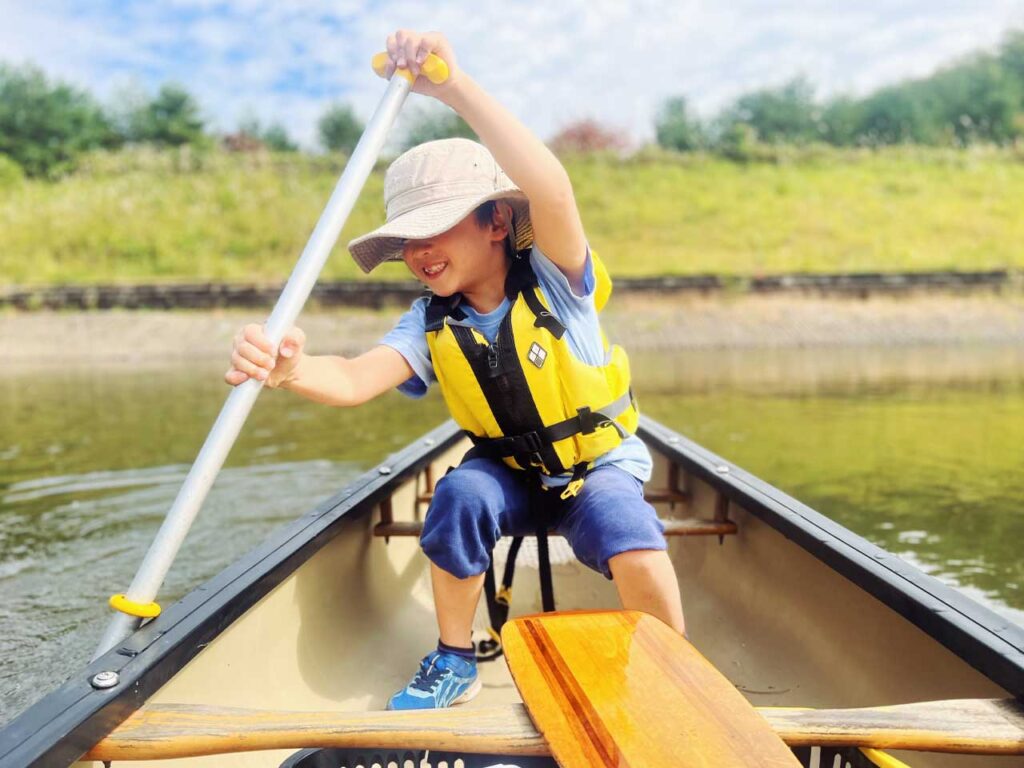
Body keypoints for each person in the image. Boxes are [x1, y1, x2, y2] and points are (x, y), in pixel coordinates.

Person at [226, 29, 685, 711]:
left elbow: (551, 188)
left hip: (596, 469)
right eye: (407, 241)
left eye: (435, 230)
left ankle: (673, 665)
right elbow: (353, 380)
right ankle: (453, 656)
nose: (418, 253)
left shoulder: (557, 280)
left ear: (497, 221)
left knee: (628, 529)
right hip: (509, 474)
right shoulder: (428, 321)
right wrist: (289, 370)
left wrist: (454, 89)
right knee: (459, 494)